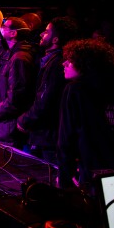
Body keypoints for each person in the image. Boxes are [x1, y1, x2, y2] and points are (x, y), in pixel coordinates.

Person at [56, 38, 114, 191]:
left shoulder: (75, 90)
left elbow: (66, 138)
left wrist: (64, 178)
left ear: (86, 64)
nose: (64, 64)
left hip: (90, 173)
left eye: (70, 60)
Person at [16, 16, 79, 163]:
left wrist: (24, 120)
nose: (41, 34)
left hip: (49, 137)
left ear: (55, 39)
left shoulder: (57, 64)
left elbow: (45, 100)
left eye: (46, 32)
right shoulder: (50, 61)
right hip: (47, 135)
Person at [0, 17, 38, 148]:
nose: (0, 30)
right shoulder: (8, 54)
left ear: (13, 33)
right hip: (0, 124)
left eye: (4, 27)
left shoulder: (19, 58)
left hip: (7, 128)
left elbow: (16, 99)